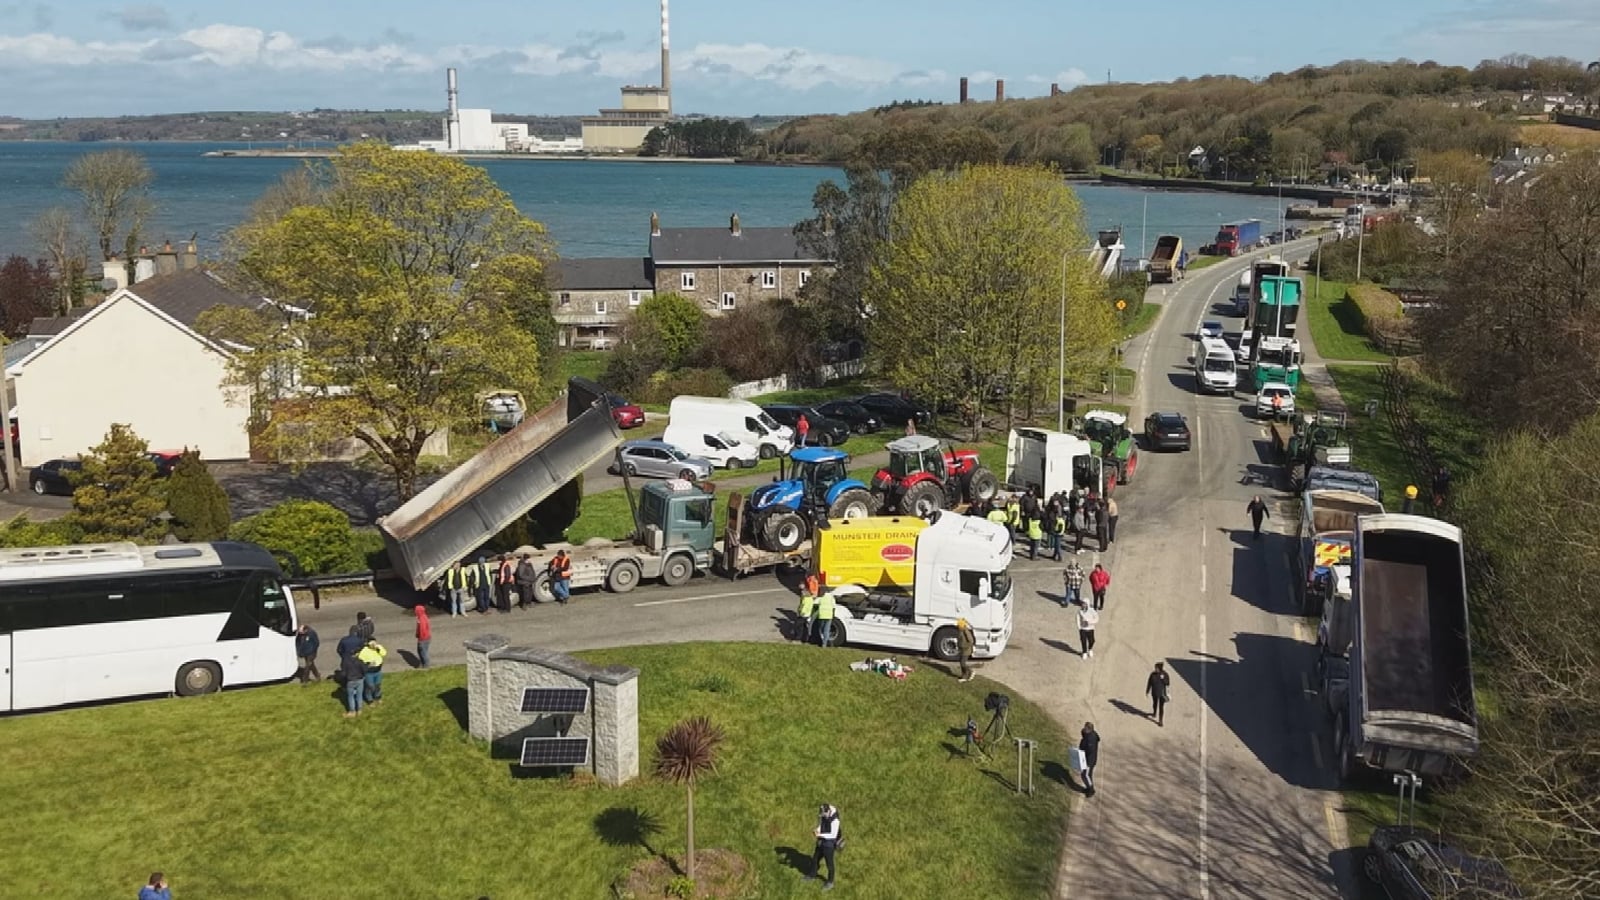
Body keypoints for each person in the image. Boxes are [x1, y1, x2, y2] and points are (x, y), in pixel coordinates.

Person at [807, 803, 842, 890]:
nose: (822, 816)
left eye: (824, 814)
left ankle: (830, 882)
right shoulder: (824, 814)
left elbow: (833, 835)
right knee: (815, 859)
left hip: (829, 845)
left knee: (829, 864)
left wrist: (820, 835)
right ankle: (812, 875)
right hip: (821, 841)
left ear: (828, 811)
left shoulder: (835, 820)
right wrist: (817, 830)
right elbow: (821, 824)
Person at [357, 638, 387, 705]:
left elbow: (384, 653)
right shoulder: (364, 651)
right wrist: (368, 664)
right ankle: (369, 699)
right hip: (369, 672)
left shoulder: (378, 647)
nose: (373, 644)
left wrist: (378, 648)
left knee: (378, 684)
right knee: (370, 686)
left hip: (378, 671)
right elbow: (360, 661)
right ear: (368, 644)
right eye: (371, 643)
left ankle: (377, 697)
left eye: (374, 642)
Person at [340, 643, 366, 718]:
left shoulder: (346, 662)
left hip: (350, 680)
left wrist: (345, 677)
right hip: (359, 679)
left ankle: (352, 711)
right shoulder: (360, 661)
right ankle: (359, 710)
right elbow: (364, 669)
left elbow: (343, 672)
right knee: (359, 695)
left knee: (351, 696)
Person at [1146, 662, 1171, 726]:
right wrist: (1147, 691)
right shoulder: (1152, 674)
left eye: (1156, 668)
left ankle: (1160, 721)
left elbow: (1167, 683)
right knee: (1154, 704)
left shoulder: (1165, 674)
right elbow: (1149, 683)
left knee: (1161, 707)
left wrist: (1163, 679)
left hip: (1162, 693)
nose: (1155, 669)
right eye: (1155, 668)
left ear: (1160, 668)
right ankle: (1154, 713)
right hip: (1154, 692)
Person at [1079, 723, 1100, 797]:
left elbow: (1088, 750)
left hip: (1089, 761)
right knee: (1086, 775)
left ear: (1089, 729)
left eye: (1085, 728)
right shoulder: (1089, 735)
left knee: (1086, 775)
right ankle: (1088, 787)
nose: (1084, 729)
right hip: (1088, 759)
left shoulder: (1091, 739)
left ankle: (1091, 790)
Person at [414, 605, 432, 669]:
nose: (415, 612)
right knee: (422, 651)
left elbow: (422, 630)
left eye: (416, 611)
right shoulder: (423, 616)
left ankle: (426, 665)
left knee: (423, 652)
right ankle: (423, 663)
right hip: (427, 638)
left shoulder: (421, 619)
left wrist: (420, 639)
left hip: (423, 639)